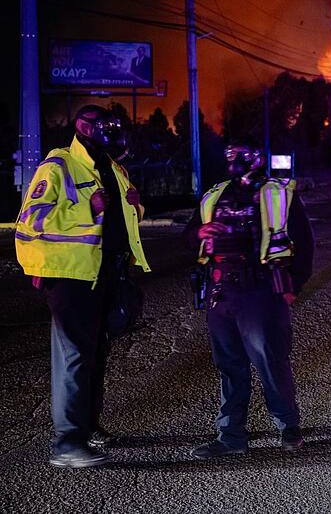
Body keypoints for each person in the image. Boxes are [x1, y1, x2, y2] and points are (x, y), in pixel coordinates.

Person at [15, 105, 150, 468]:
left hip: (106, 273)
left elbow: (118, 217)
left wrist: (136, 208)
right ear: (82, 127)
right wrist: (85, 210)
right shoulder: (58, 165)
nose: (114, 132)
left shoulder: (112, 166)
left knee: (95, 355)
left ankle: (89, 428)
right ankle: (67, 443)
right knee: (74, 355)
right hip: (71, 277)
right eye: (106, 126)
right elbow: (30, 220)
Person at [183, 142, 314, 459]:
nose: (235, 164)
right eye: (230, 158)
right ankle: (231, 436)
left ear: (256, 160)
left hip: (261, 289)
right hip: (221, 290)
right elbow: (189, 235)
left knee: (271, 361)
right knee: (229, 366)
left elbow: (305, 242)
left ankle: (288, 428)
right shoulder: (216, 194)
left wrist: (292, 285)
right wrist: (201, 232)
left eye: (241, 158)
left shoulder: (278, 193)